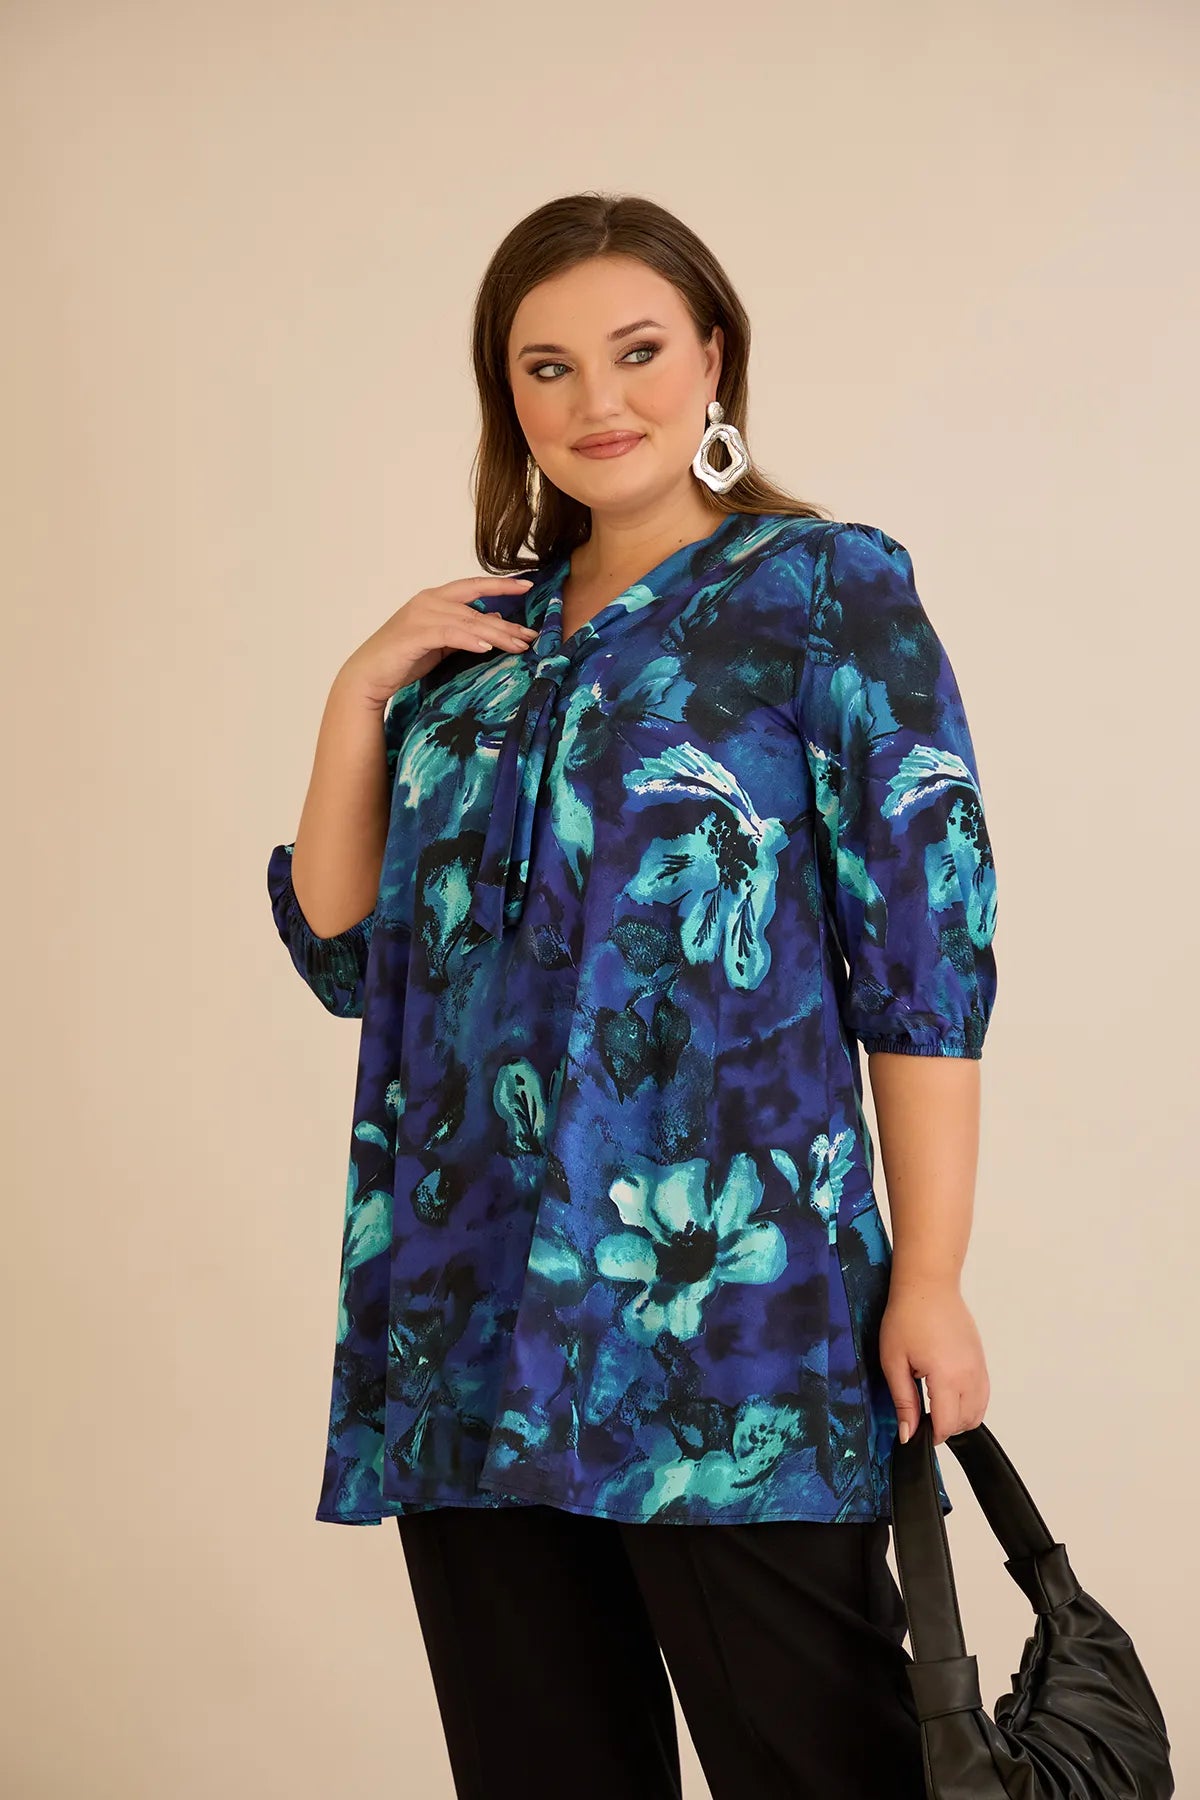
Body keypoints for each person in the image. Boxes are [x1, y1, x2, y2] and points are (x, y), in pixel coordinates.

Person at [265, 191, 998, 1800]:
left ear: (714, 357)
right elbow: (345, 949)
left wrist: (932, 1274)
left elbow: (926, 962)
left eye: (638, 351)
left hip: (732, 1320)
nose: (597, 400)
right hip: (464, 1313)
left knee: (827, 1765)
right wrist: (359, 689)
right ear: (507, 395)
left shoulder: (823, 590)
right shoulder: (473, 648)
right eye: (547, 368)